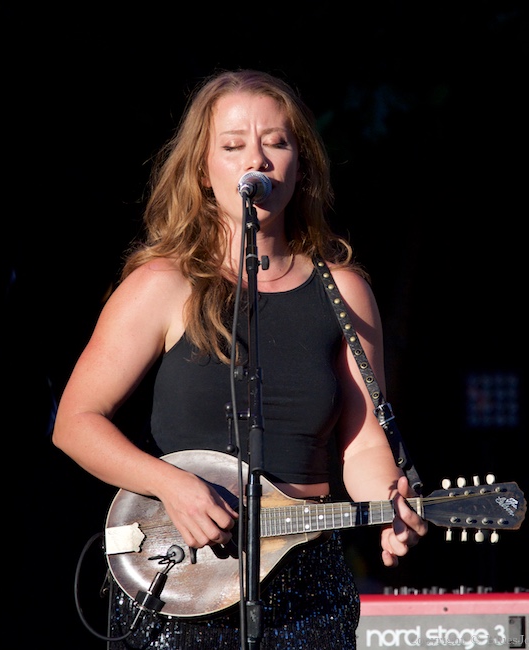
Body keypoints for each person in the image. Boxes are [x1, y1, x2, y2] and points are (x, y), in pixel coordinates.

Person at [51, 68, 427, 649]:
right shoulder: (164, 284)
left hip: (307, 580)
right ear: (204, 170)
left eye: (277, 142)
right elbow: (75, 422)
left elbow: (363, 441)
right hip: (184, 572)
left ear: (300, 165)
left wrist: (390, 506)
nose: (259, 158)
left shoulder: (342, 291)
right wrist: (169, 484)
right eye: (233, 145)